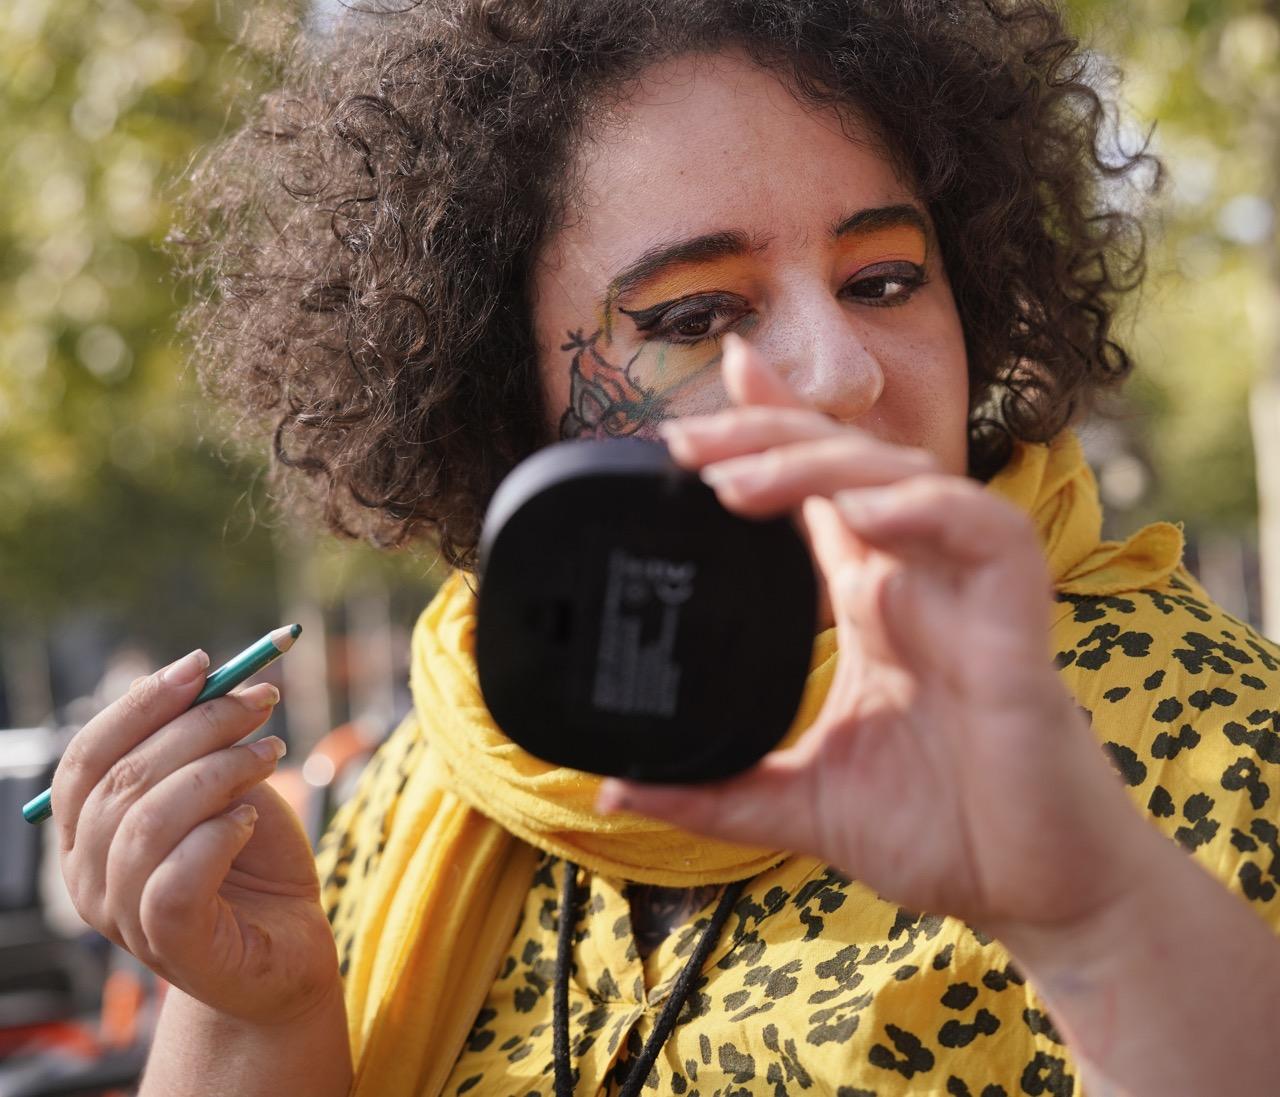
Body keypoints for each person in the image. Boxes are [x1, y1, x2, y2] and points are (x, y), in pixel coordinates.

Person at [50, 1, 1280, 1095]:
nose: (839, 374)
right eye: (696, 315)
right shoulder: (440, 766)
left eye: (886, 279)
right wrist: (255, 1007)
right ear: (492, 383)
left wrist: (1094, 914)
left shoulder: (1213, 737)